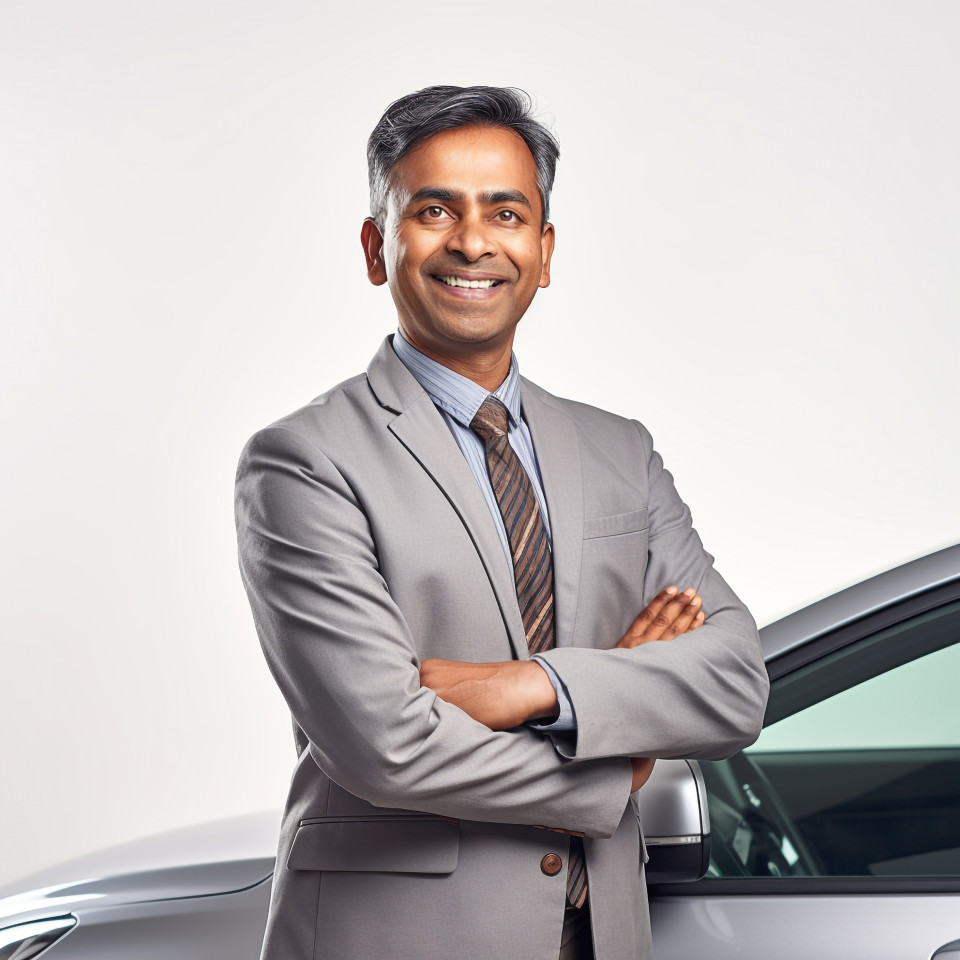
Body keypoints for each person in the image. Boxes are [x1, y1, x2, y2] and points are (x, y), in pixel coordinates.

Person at [235, 84, 769, 960]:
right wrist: (620, 755)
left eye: (505, 212)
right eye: (434, 210)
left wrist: (542, 687)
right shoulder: (303, 461)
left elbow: (737, 679)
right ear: (378, 247)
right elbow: (387, 747)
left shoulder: (618, 450)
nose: (473, 242)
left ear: (545, 250)